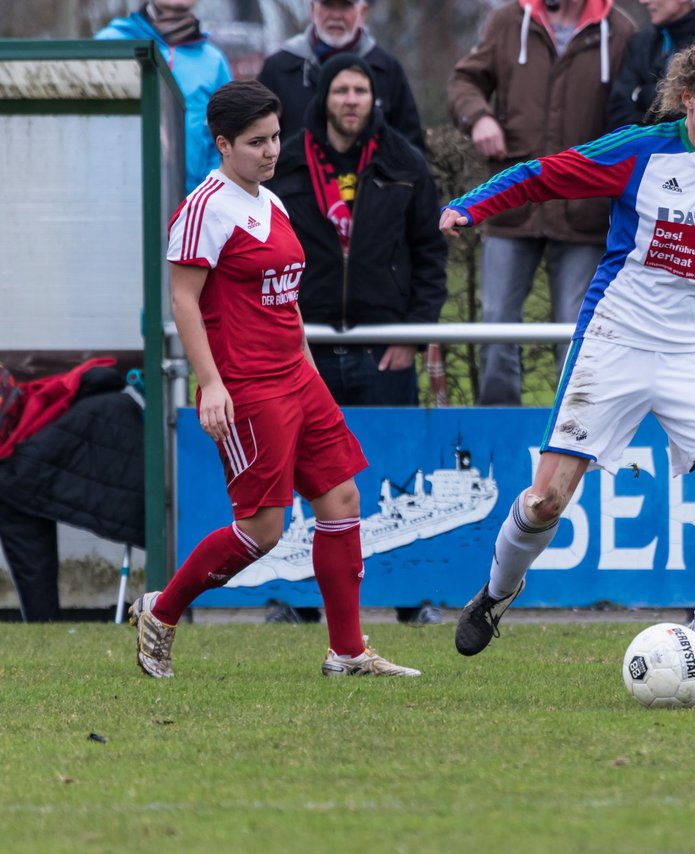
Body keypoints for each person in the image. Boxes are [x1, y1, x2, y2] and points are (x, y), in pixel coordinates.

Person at [440, 35, 695, 703]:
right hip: (617, 339)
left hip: (692, 348)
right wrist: (473, 204)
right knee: (545, 502)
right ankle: (495, 594)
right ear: (688, 100)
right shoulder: (640, 150)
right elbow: (544, 172)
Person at [129, 80, 419, 678]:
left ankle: (346, 652)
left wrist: (310, 371)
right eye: (255, 142)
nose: (269, 151)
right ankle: (161, 611)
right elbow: (182, 300)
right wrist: (211, 384)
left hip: (297, 377)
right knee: (262, 530)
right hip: (249, 386)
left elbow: (285, 305)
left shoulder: (273, 202)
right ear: (222, 143)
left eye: (276, 138)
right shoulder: (204, 207)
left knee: (341, 500)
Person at [447, 0, 635, 405]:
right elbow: (464, 82)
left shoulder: (619, 30)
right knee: (497, 323)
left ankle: (573, 432)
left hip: (585, 210)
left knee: (577, 328)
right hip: (511, 207)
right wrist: (479, 116)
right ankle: (500, 426)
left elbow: (631, 112)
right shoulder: (507, 20)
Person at [269, 53, 447, 407]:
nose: (351, 99)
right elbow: (265, 257)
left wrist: (413, 335)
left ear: (373, 98)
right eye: (341, 91)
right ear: (323, 98)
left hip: (383, 351)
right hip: (305, 349)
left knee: (392, 463)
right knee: (308, 462)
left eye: (361, 90)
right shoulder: (285, 164)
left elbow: (431, 252)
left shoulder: (404, 162)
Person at [0, 366, 143, 623]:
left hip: (27, 466)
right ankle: (42, 619)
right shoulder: (100, 400)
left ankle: (42, 618)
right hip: (43, 453)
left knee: (12, 493)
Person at [96, 0, 233, 193]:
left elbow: (228, 137)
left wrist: (206, 196)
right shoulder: (111, 43)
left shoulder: (214, 61)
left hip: (190, 207)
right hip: (122, 199)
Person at [257, 0, 426, 154]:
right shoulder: (279, 68)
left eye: (346, 6)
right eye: (327, 5)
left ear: (363, 12)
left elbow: (411, 146)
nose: (336, 15)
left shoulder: (386, 69)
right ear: (312, 8)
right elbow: (255, 137)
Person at [607, 0, 695, 132]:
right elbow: (618, 114)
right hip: (642, 157)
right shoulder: (641, 42)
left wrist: (643, 95)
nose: (644, 1)